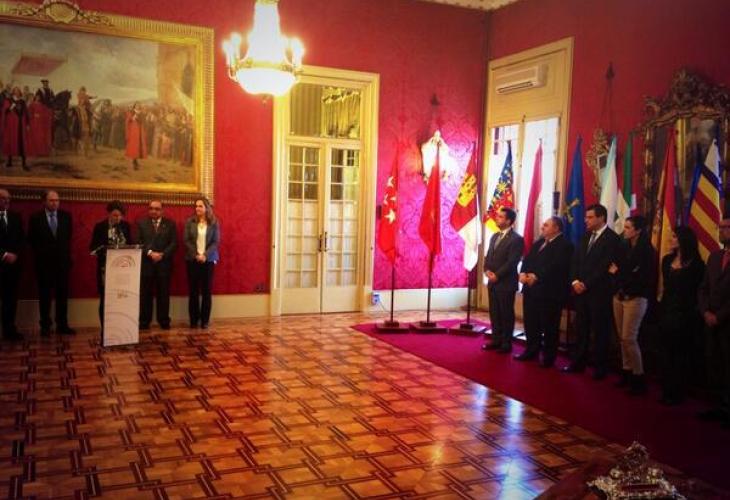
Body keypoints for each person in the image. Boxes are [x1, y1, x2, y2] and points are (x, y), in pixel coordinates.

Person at [565, 203, 622, 379]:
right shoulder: (585, 236)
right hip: (580, 291)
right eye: (586, 217)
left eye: (590, 217)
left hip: (599, 292)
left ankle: (600, 367)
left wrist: (586, 284)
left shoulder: (612, 239)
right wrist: (575, 281)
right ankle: (578, 362)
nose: (585, 220)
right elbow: (575, 261)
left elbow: (604, 266)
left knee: (600, 331)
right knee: (581, 328)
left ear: (601, 218)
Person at [517, 216, 573, 368]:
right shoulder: (539, 242)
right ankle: (531, 350)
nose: (542, 227)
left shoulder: (565, 246)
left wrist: (536, 276)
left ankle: (548, 357)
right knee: (531, 323)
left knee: (549, 326)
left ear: (556, 228)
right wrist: (523, 273)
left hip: (549, 293)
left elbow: (557, 267)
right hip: (531, 290)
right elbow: (527, 260)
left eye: (546, 225)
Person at [659, 226, 704, 405]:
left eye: (674, 237)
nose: (671, 239)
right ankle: (666, 389)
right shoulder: (667, 260)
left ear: (684, 240)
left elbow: (696, 291)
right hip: (667, 311)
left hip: (685, 314)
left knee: (680, 355)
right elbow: (667, 288)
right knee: (666, 353)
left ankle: (677, 392)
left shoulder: (696, 264)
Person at [609, 215, 655, 395]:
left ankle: (638, 376)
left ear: (638, 230)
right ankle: (626, 371)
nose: (625, 230)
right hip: (619, 295)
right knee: (622, 337)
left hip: (636, 297)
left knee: (629, 338)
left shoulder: (646, 251)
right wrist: (623, 273)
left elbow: (641, 278)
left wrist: (621, 273)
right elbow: (613, 269)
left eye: (628, 227)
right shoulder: (623, 246)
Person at [697, 217, 730, 427]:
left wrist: (720, 315)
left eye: (727, 227)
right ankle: (718, 405)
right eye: (721, 227)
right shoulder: (715, 256)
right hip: (710, 320)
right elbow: (703, 288)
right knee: (714, 364)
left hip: (726, 322)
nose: (722, 230)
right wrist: (706, 312)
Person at [28, 190, 75, 336]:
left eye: (57, 200)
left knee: (62, 295)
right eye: (52, 200)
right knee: (45, 296)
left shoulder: (66, 217)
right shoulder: (35, 218)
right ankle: (45, 326)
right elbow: (32, 240)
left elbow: (67, 238)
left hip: (62, 263)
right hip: (44, 264)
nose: (55, 203)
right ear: (44, 202)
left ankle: (62, 325)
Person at [482, 207, 524, 353]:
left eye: (500, 217)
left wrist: (497, 275)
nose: (496, 218)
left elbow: (512, 262)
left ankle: (506, 343)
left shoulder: (516, 239)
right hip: (492, 282)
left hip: (505, 283)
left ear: (508, 221)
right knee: (494, 313)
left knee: (506, 314)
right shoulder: (494, 236)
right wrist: (486, 270)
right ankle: (496, 340)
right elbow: (489, 256)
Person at [90, 201, 132, 332]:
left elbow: (131, 245)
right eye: (115, 215)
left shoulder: (125, 226)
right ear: (109, 214)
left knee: (121, 299)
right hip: (106, 269)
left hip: (123, 270)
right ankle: (106, 328)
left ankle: (120, 328)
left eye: (120, 216)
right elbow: (92, 247)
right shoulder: (100, 227)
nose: (117, 218)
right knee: (105, 299)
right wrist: (104, 250)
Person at [137, 199, 177, 330]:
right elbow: (138, 242)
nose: (153, 211)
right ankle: (144, 321)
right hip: (146, 264)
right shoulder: (141, 223)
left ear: (162, 210)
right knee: (145, 295)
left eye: (157, 209)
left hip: (164, 264)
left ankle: (164, 321)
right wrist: (150, 253)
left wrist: (162, 255)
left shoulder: (170, 224)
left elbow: (174, 243)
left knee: (163, 294)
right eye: (151, 208)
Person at [184, 197, 220, 328]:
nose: (197, 208)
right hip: (192, 259)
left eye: (200, 206)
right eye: (196, 206)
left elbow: (215, 242)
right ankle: (194, 320)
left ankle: (205, 321)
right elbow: (186, 240)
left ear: (206, 208)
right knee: (193, 291)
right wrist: (196, 255)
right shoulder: (190, 222)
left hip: (208, 260)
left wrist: (205, 255)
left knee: (206, 291)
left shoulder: (214, 222)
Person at [0, 188, 24, 340]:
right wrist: (4, 255)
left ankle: (9, 330)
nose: (7, 201)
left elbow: (21, 239)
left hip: (13, 267)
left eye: (8, 198)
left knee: (10, 300)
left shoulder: (15, 217)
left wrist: (15, 255)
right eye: (3, 198)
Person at [2, 87, 29, 169]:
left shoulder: (22, 101)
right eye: (15, 91)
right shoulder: (8, 100)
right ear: (13, 92)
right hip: (12, 125)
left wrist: (27, 123)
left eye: (18, 91)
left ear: (20, 92)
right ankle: (9, 161)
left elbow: (26, 112)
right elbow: (5, 112)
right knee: (11, 141)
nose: (16, 92)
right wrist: (11, 107)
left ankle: (24, 163)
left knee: (22, 143)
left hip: (21, 125)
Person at [125, 102, 147, 169]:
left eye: (139, 106)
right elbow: (128, 121)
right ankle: (133, 163)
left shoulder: (141, 113)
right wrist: (132, 118)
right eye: (137, 106)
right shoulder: (131, 113)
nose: (138, 107)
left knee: (138, 147)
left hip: (139, 132)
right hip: (133, 132)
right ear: (134, 107)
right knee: (134, 147)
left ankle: (135, 161)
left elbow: (143, 121)